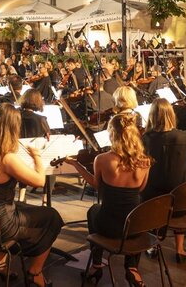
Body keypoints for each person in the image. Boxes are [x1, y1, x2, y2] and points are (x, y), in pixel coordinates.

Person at [0, 103, 64, 287]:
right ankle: (35, 272)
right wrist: (37, 157)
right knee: (52, 217)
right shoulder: (7, 158)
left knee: (27, 209)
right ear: (12, 127)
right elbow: (40, 181)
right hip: (3, 222)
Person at [67, 113, 152, 287]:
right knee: (136, 218)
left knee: (93, 211)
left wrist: (77, 165)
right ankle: (132, 268)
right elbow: (141, 188)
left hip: (110, 226)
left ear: (112, 134)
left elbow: (96, 185)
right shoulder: (145, 162)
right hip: (134, 228)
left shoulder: (103, 159)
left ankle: (96, 264)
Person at [142, 99, 186, 261]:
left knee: (148, 197)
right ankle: (179, 250)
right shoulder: (185, 136)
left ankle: (153, 246)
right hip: (178, 198)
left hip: (154, 198)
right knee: (181, 188)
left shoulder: (146, 138)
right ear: (171, 115)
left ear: (151, 116)